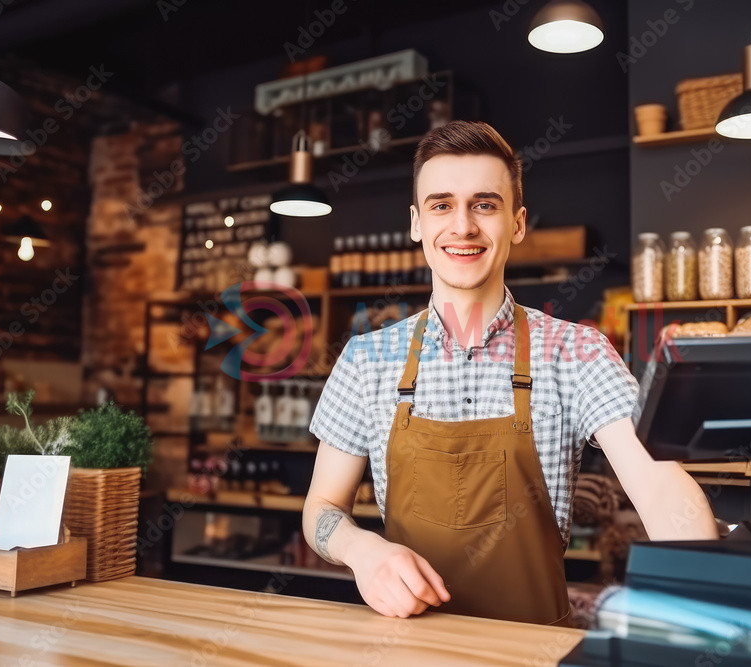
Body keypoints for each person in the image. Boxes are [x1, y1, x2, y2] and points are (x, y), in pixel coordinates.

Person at [303, 120, 717, 627]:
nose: (462, 227)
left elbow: (658, 484)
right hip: (408, 649)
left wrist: (711, 602)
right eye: (441, 205)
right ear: (416, 224)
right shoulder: (367, 360)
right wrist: (362, 549)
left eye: (484, 204)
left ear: (516, 223)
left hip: (535, 647)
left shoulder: (577, 351)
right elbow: (321, 508)